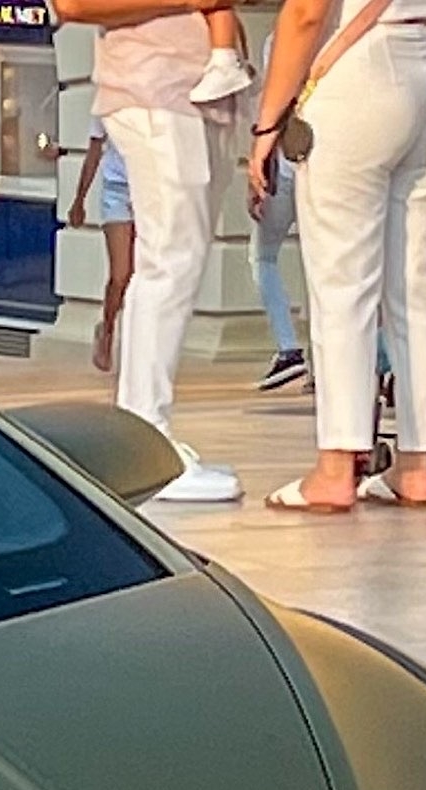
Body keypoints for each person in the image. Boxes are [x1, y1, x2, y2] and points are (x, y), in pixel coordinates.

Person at [249, 0, 426, 508]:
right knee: (418, 282)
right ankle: (417, 466)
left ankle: (336, 467)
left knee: (341, 283)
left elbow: (306, 12)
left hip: (356, 77)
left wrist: (266, 126)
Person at [53, 0, 243, 501]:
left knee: (178, 262)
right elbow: (72, 5)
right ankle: (145, 444)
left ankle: (146, 438)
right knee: (168, 263)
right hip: (153, 92)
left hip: (198, 95)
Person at [64, 117, 135, 376]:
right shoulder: (106, 99)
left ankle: (138, 343)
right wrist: (79, 199)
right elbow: (94, 151)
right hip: (117, 189)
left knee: (142, 276)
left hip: (150, 190)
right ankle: (106, 328)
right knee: (121, 273)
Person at [249, 151, 304, 387]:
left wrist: (256, 168)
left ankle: (288, 348)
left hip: (287, 165)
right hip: (330, 167)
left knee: (263, 257)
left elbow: (268, 121)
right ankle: (383, 359)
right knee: (326, 266)